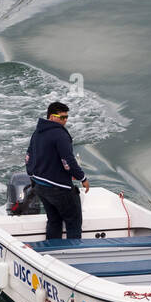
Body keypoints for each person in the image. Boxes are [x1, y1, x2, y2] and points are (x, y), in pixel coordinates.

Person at [25, 102, 89, 240]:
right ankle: (73, 255)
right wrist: (82, 178)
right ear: (51, 117)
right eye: (61, 117)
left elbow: (28, 157)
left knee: (54, 221)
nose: (65, 120)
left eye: (66, 117)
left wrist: (32, 176)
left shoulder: (37, 132)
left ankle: (52, 253)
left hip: (40, 186)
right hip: (59, 188)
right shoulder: (60, 135)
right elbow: (68, 161)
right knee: (73, 223)